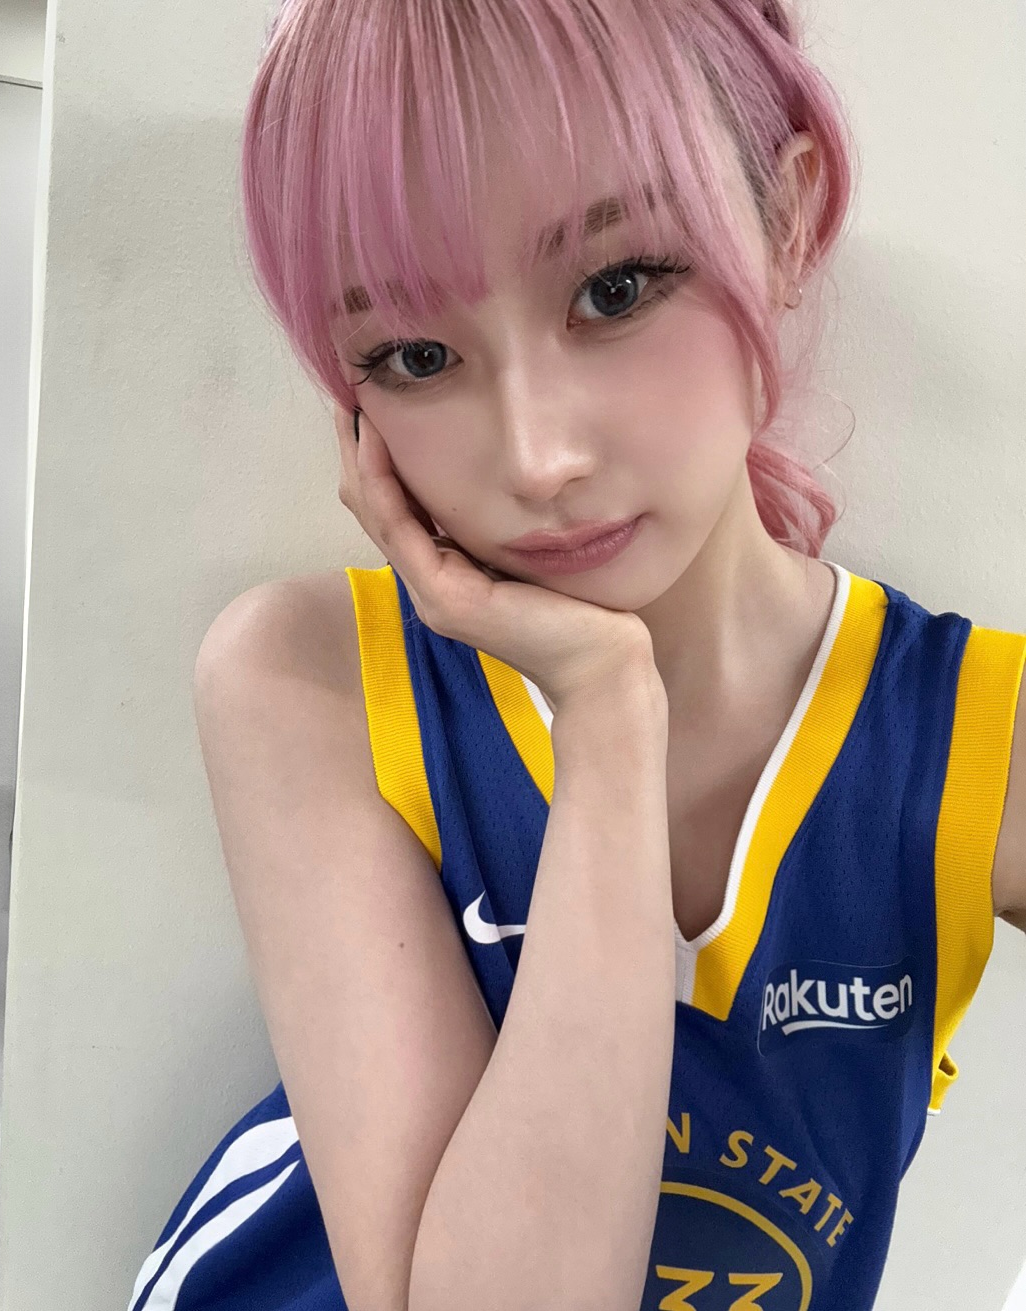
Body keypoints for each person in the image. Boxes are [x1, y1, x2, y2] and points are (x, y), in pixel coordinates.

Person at [126, 0, 1026, 1308]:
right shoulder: (315, 678)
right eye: (415, 355)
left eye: (617, 288)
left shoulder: (970, 738)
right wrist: (607, 713)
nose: (537, 456)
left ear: (785, 223)